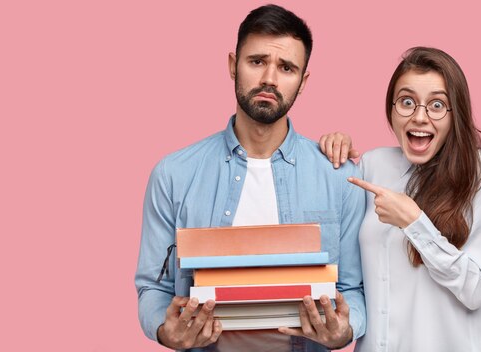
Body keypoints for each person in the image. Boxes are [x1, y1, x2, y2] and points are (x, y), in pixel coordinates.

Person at [135, 4, 366, 351]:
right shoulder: (172, 175)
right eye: (257, 61)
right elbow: (152, 288)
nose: (269, 78)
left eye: (286, 67)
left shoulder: (339, 176)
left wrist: (345, 330)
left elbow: (354, 289)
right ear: (232, 65)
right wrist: (165, 331)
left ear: (303, 82)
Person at [319, 47, 481, 352]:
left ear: (455, 112)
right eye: (407, 102)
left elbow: (477, 291)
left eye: (436, 105)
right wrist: (332, 148)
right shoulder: (372, 165)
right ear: (391, 108)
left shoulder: (480, 171)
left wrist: (415, 223)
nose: (420, 117)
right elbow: (351, 279)